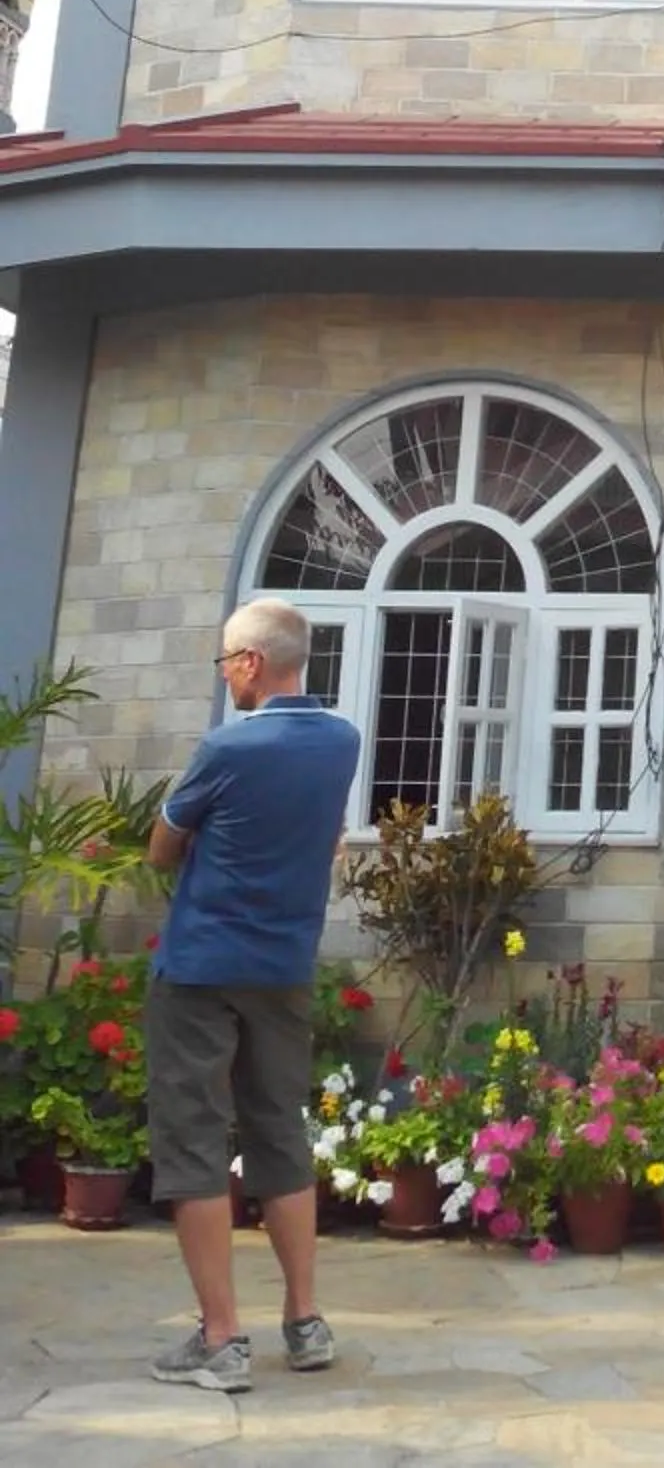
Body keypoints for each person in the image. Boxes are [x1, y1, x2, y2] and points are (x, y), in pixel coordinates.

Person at [143, 595, 361, 1395]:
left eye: (226, 662)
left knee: (194, 1140)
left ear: (250, 664)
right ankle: (305, 1322)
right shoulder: (342, 741)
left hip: (201, 967)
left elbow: (164, 848)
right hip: (284, 967)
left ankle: (223, 1338)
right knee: (278, 1132)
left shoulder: (227, 750)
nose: (226, 675)